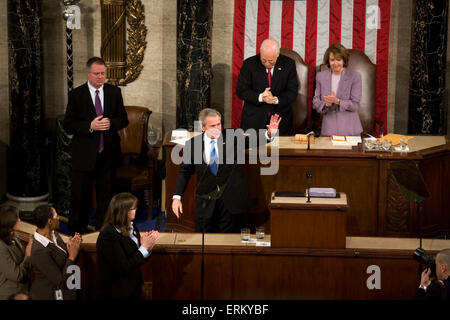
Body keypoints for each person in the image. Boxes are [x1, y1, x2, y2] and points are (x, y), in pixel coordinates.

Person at [171, 108, 281, 233]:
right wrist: (177, 197)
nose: (217, 128)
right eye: (213, 125)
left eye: (219, 124)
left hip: (230, 202)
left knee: (229, 243)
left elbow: (252, 141)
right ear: (203, 127)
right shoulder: (193, 144)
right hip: (206, 203)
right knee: (203, 241)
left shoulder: (231, 137)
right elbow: (185, 172)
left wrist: (269, 134)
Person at [64, 56, 129, 234]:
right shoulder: (76, 95)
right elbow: (68, 124)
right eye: (97, 74)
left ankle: (104, 229)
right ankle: (78, 230)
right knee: (80, 195)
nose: (101, 77)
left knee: (106, 196)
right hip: (84, 154)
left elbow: (123, 119)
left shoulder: (114, 92)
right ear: (88, 74)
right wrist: (89, 126)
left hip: (108, 154)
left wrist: (111, 123)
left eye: (103, 74)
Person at [96, 192, 159, 299]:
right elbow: (123, 267)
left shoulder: (132, 228)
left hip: (133, 288)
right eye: (133, 208)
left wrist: (147, 246)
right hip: (117, 292)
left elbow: (137, 259)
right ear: (123, 212)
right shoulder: (108, 236)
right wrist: (143, 248)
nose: (135, 211)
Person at [236, 38, 298, 135]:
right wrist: (260, 97)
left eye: (271, 61)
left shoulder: (288, 64)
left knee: (277, 150)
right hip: (253, 121)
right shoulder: (249, 64)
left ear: (277, 55)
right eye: (263, 60)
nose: (267, 64)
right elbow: (241, 90)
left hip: (280, 121)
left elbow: (292, 92)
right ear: (260, 53)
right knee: (253, 150)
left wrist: (276, 99)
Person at [30, 205, 82, 300]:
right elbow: (60, 282)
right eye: (56, 216)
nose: (58, 218)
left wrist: (69, 247)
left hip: (69, 289)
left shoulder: (53, 233)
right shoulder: (39, 252)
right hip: (50, 295)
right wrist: (72, 256)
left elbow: (60, 257)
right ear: (50, 222)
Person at [312, 43, 363, 136]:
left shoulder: (355, 77)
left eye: (339, 59)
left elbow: (355, 105)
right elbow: (316, 102)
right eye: (332, 60)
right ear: (328, 61)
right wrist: (325, 104)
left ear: (344, 60)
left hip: (350, 129)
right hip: (328, 129)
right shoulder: (320, 77)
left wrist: (338, 101)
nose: (335, 63)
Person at [0, 205, 32, 300]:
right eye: (16, 218)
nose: (19, 220)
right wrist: (28, 255)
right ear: (8, 222)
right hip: (10, 295)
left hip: (24, 289)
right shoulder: (1, 247)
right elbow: (17, 276)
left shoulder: (13, 234)